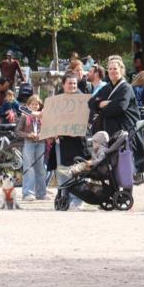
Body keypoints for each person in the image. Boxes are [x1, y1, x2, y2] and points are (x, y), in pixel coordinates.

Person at [50, 73, 89, 209]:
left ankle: (78, 200)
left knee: (78, 170)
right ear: (63, 85)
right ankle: (66, 197)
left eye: (74, 83)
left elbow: (85, 119)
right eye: (69, 83)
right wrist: (53, 131)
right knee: (63, 170)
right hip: (62, 141)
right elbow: (52, 118)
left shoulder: (81, 100)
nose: (72, 86)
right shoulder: (58, 100)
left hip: (77, 141)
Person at [17, 95, 47, 201]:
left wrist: (43, 134)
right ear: (28, 105)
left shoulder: (42, 116)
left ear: (39, 106)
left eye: (37, 104)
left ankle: (41, 193)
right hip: (29, 143)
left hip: (41, 143)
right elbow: (18, 131)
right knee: (29, 167)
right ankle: (28, 193)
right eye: (32, 104)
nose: (35, 106)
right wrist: (28, 135)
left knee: (41, 168)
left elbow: (47, 129)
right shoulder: (24, 116)